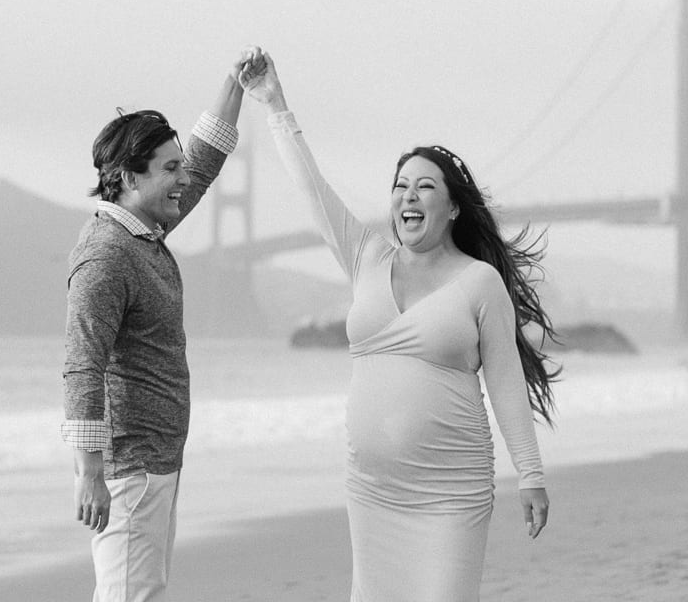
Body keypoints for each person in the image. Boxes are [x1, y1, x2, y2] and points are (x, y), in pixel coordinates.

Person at [237, 47, 556, 602]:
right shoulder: (366, 257)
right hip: (373, 489)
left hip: (450, 492)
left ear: (453, 209)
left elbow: (505, 382)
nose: (408, 196)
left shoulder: (479, 283)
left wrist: (530, 474)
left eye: (425, 186)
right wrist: (273, 101)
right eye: (400, 185)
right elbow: (313, 188)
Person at [61, 52, 251, 602]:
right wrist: (90, 473)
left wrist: (233, 85)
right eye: (169, 169)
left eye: (177, 165)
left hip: (157, 461)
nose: (181, 178)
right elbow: (82, 365)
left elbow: (205, 162)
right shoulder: (107, 256)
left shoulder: (144, 232)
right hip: (129, 472)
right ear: (126, 178)